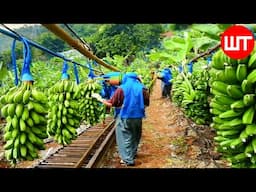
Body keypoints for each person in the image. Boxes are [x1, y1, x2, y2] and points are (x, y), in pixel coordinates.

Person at [92, 72, 150, 166]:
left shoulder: (121, 89)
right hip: (138, 117)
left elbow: (111, 103)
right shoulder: (143, 88)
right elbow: (146, 103)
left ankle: (127, 160)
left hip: (125, 117)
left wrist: (99, 99)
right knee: (135, 136)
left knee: (124, 137)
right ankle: (132, 154)